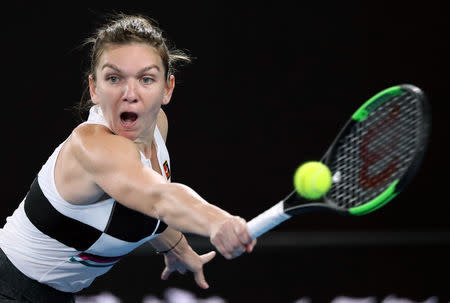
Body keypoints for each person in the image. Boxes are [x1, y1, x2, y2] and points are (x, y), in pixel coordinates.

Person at [0, 14, 256, 302]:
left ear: (167, 88)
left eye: (146, 79)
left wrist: (176, 246)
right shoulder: (93, 147)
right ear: (95, 89)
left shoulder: (158, 124)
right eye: (114, 78)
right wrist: (217, 222)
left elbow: (139, 200)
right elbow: (159, 197)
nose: (130, 93)